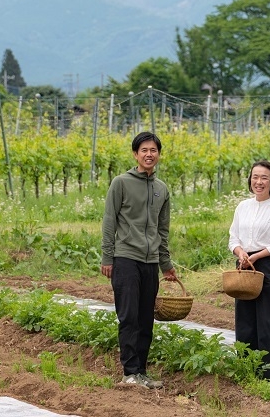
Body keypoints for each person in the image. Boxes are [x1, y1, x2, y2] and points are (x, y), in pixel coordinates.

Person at [101, 131, 177, 389]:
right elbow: (109, 221)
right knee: (129, 317)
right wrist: (107, 256)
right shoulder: (120, 183)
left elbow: (162, 230)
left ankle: (141, 372)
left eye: (153, 150)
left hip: (150, 262)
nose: (148, 154)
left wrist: (165, 264)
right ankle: (129, 372)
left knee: (146, 318)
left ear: (158, 155)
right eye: (144, 150)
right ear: (135, 154)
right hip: (125, 259)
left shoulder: (161, 189)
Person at [228, 159, 270, 381]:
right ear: (250, 180)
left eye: (264, 177)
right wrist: (240, 253)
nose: (259, 181)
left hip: (269, 265)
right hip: (243, 265)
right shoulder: (242, 207)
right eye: (255, 177)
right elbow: (233, 237)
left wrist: (256, 255)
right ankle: (248, 370)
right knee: (245, 321)